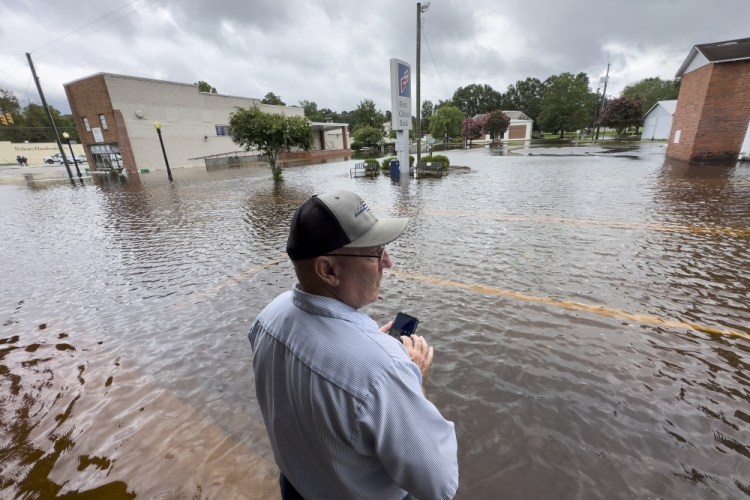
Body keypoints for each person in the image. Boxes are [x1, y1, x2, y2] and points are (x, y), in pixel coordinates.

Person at [249, 190, 459, 499]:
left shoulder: (268, 317)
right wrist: (414, 382)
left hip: (295, 486)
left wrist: (369, 345)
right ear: (328, 270)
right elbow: (439, 486)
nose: (387, 261)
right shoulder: (384, 370)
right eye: (375, 253)